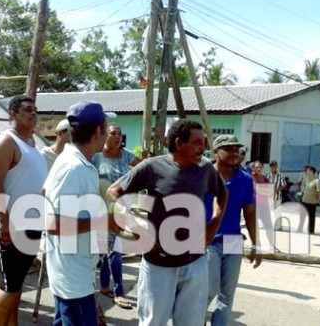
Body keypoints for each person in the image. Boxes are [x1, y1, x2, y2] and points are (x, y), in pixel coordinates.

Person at [107, 119, 228, 326]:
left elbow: (223, 194)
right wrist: (135, 225)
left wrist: (214, 224)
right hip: (158, 264)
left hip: (195, 262)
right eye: (197, 142)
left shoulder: (205, 169)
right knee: (153, 322)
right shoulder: (152, 167)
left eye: (204, 142)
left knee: (191, 323)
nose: (204, 147)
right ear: (180, 143)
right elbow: (114, 191)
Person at [43, 101, 119, 325]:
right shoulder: (72, 168)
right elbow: (53, 225)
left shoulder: (79, 163)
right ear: (98, 132)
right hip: (72, 277)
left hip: (77, 270)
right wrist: (103, 222)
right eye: (106, 127)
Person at [0, 95, 48, 326]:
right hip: (13, 225)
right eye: (27, 110)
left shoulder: (32, 145)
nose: (33, 114)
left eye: (35, 110)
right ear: (13, 114)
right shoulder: (6, 142)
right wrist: (4, 222)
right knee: (9, 283)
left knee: (17, 282)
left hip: (32, 224)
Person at [205, 135, 261, 326]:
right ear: (215, 152)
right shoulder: (203, 175)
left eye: (236, 149)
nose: (234, 153)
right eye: (228, 149)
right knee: (209, 289)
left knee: (227, 294)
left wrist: (256, 244)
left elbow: (250, 213)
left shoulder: (245, 180)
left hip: (233, 241)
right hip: (208, 240)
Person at [92, 122, 141, 310]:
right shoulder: (96, 157)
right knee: (110, 251)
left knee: (112, 249)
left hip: (121, 210)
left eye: (120, 134)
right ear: (104, 135)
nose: (117, 137)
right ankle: (117, 292)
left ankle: (106, 287)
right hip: (101, 211)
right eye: (113, 133)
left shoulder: (126, 155)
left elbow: (143, 168)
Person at [251, 161, 279, 252]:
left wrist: (262, 191)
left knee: (269, 225)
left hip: (264, 205)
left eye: (260, 167)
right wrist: (264, 191)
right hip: (255, 205)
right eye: (257, 167)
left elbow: (271, 191)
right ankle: (256, 245)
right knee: (255, 226)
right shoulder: (251, 177)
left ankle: (272, 245)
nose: (258, 169)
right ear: (254, 168)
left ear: (263, 168)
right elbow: (256, 190)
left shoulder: (264, 178)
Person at [297, 166, 320, 234]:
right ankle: (300, 229)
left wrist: (317, 200)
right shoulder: (305, 179)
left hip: (312, 202)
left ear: (312, 172)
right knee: (302, 215)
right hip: (304, 200)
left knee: (311, 217)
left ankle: (311, 230)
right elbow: (302, 189)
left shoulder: (317, 181)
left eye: (308, 170)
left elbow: (319, 192)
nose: (306, 171)